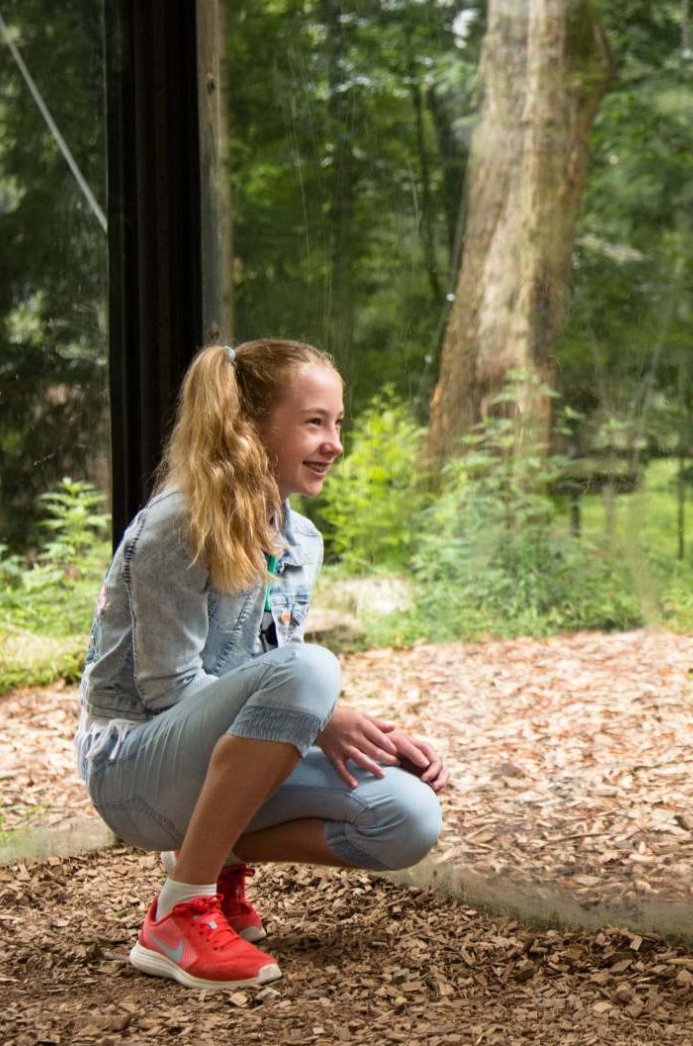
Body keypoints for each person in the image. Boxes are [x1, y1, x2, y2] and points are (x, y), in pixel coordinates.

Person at [74, 339, 447, 990]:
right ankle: (179, 911)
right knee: (313, 669)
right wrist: (321, 711)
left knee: (409, 816)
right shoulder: (179, 523)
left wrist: (350, 731)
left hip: (214, 759)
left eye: (338, 423)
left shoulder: (301, 539)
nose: (334, 442)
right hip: (133, 766)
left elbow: (273, 683)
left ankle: (215, 857)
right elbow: (170, 690)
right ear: (250, 426)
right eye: (313, 422)